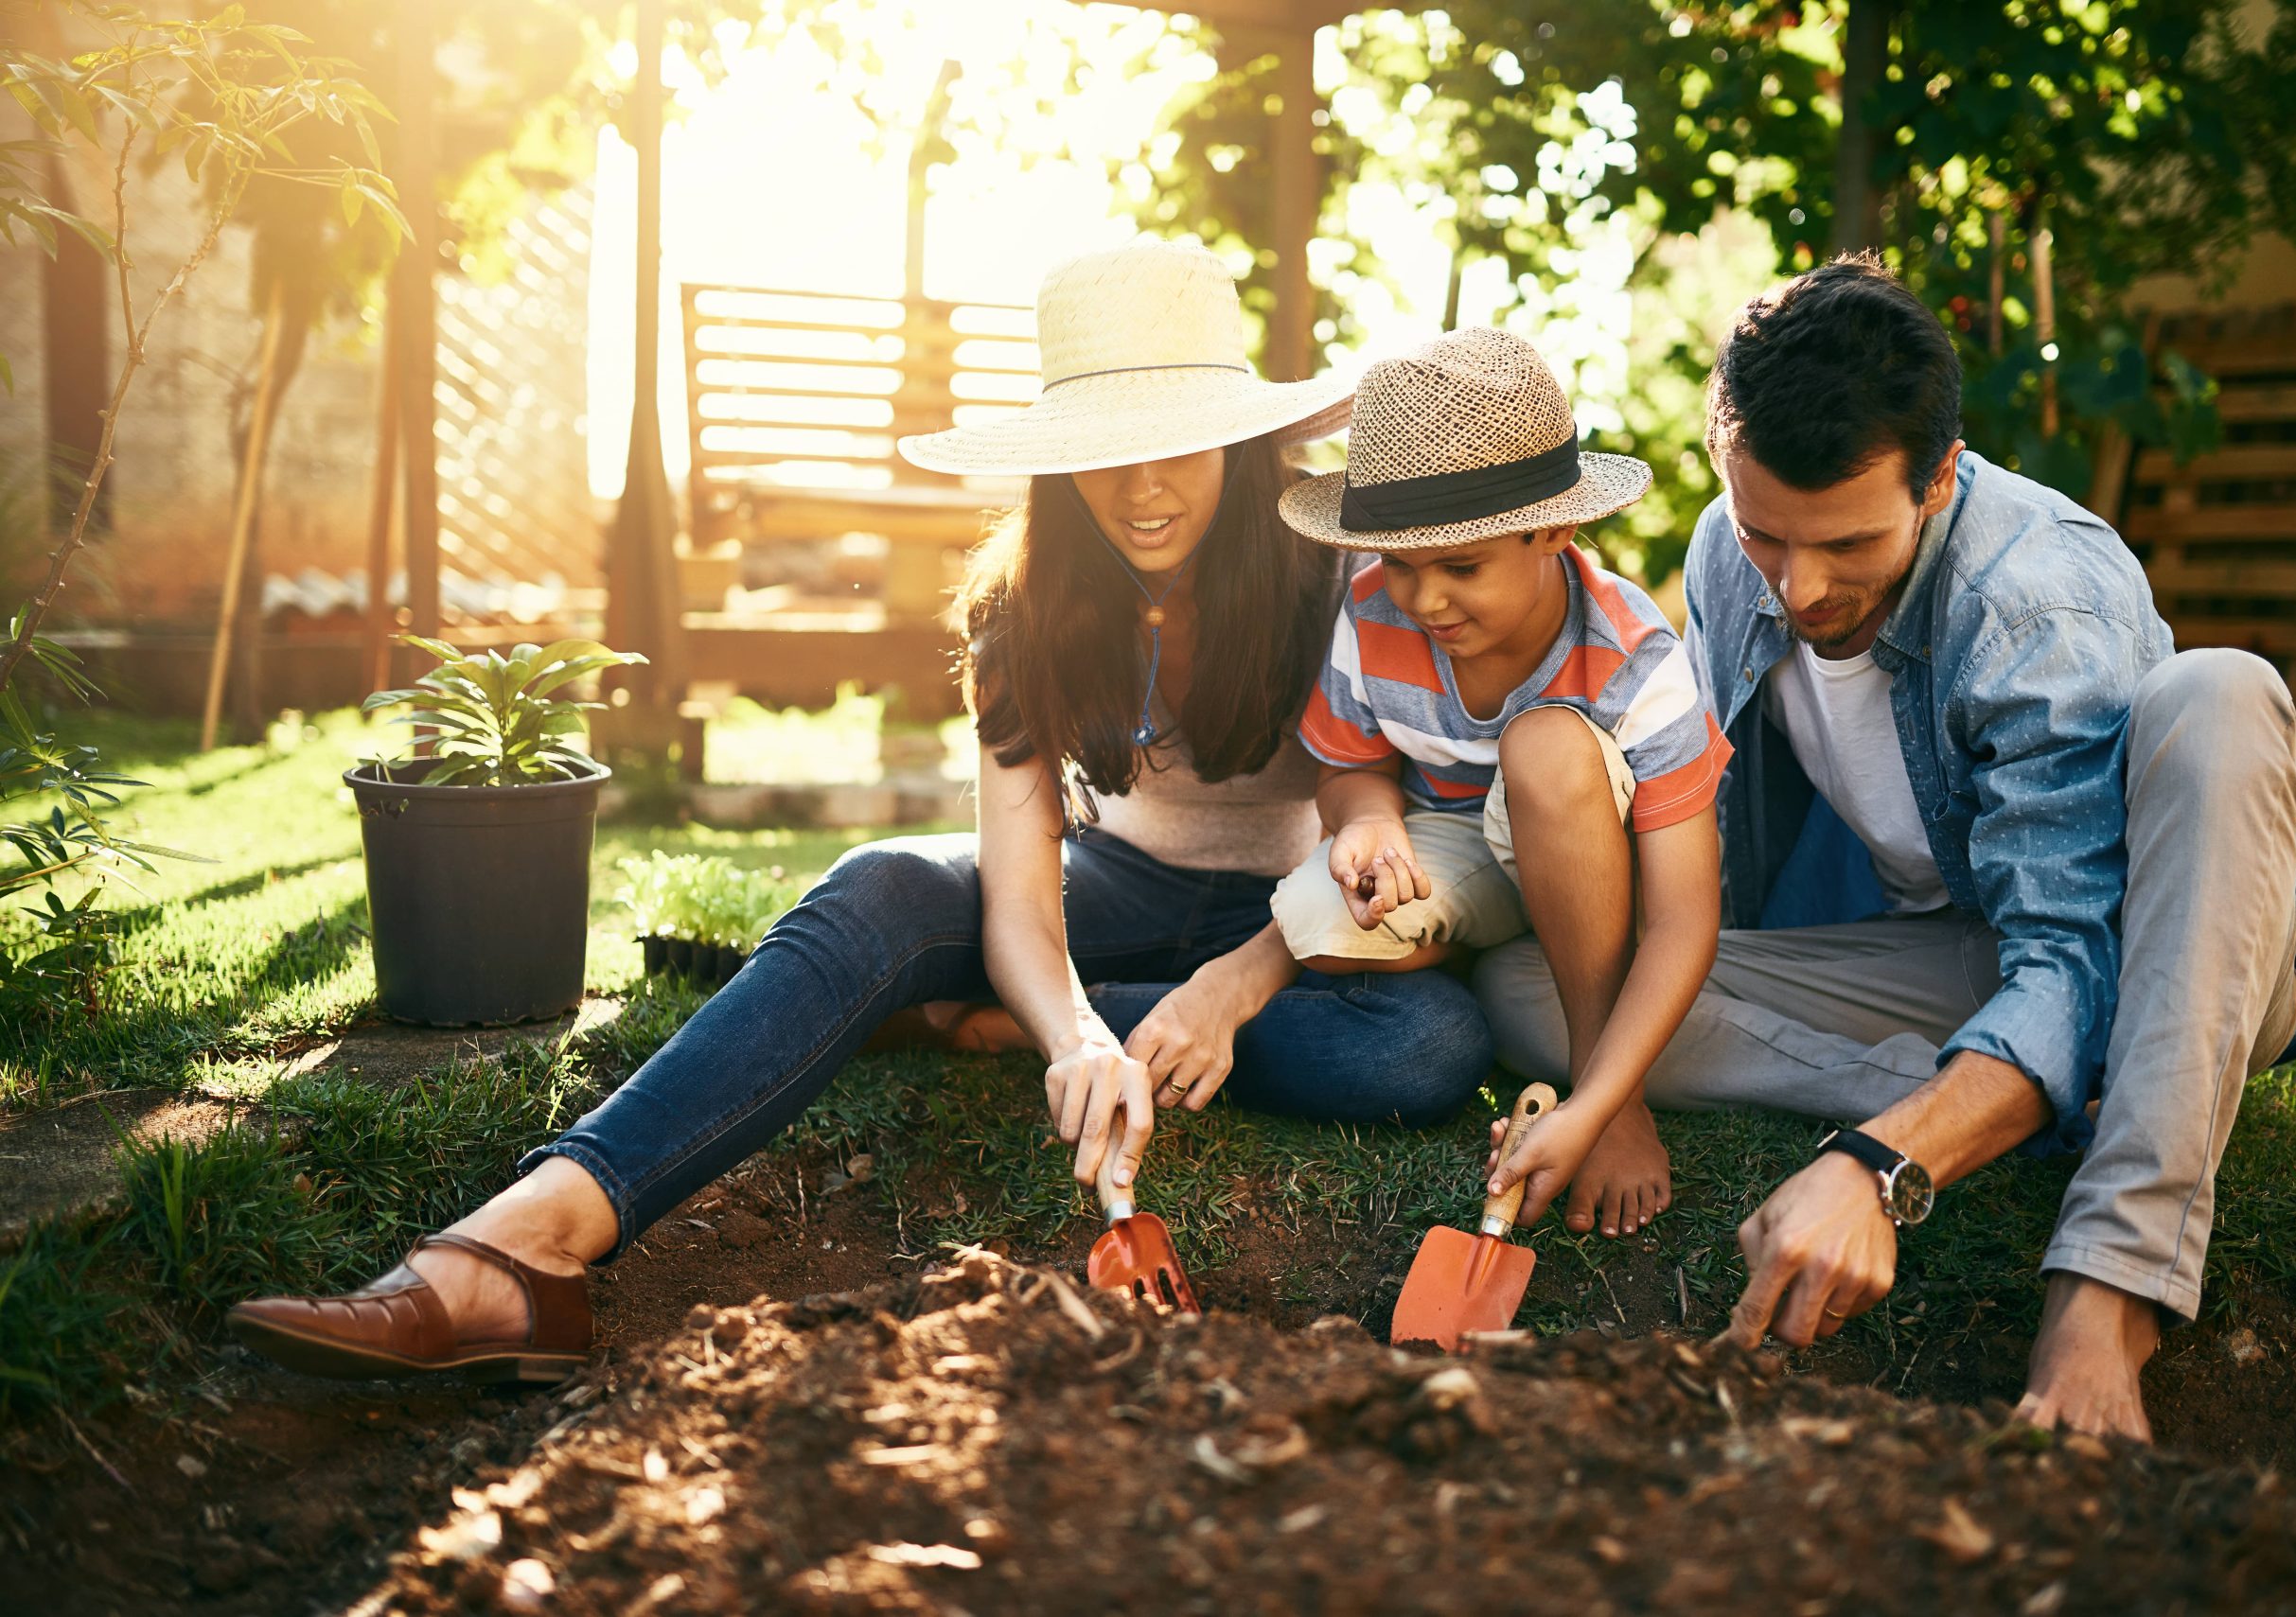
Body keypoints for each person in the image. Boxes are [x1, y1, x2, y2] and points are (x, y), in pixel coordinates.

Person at [228, 239, 1496, 1384]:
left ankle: (960, 1021)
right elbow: (1019, 887)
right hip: (1121, 892)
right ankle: (527, 1245)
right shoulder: (1027, 603)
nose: (1142, 487)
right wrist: (1070, 1035)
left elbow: (1407, 840)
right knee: (883, 885)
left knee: (1423, 1048)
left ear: (1237, 436)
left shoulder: (1337, 573)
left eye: (1174, 442)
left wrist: (1241, 980)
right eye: (1103, 452)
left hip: (1307, 922)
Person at [1473, 255, 2296, 1440]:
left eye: (1846, 542)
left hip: (2160, 956)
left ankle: (2110, 1289)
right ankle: (2042, 1100)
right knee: (1538, 988)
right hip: (1943, 948)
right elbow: (1701, 839)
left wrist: (1875, 1165)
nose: (1798, 584)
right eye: (1766, 532)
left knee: (2223, 692)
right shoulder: (1730, 557)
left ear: (1938, 476)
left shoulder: (2037, 602)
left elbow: (2072, 956)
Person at [1266, 328, 1729, 1243]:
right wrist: (1366, 823)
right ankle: (1484, 967)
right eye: (1400, 561)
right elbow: (1350, 762)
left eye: (1461, 566)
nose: (1424, 601)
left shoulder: (1635, 656)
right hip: (1453, 847)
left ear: (1552, 529)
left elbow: (1685, 916)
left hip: (1592, 860)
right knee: (1317, 918)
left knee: (1546, 748)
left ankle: (1600, 1055)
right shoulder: (1367, 611)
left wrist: (1601, 1103)